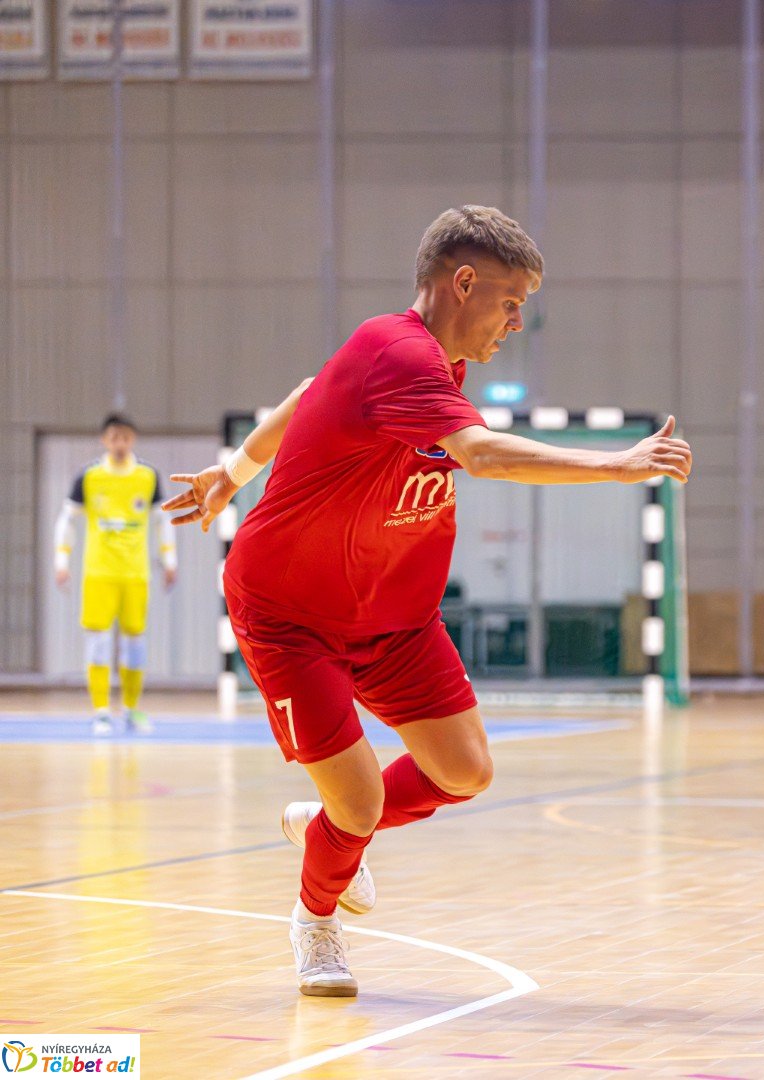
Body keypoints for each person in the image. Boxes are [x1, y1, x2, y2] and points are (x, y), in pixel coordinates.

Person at [163, 206, 693, 998]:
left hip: (393, 616)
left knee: (465, 769)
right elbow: (480, 454)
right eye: (511, 301)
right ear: (463, 282)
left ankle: (325, 835)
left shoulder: (436, 368)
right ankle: (316, 922)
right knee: (361, 795)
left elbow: (308, 392)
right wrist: (616, 468)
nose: (518, 321)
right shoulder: (398, 352)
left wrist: (230, 475)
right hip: (291, 614)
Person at [54, 413, 178, 735]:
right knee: (97, 641)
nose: (119, 443)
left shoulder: (148, 476)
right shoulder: (89, 476)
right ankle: (100, 711)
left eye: (125, 437)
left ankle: (132, 709)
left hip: (135, 574)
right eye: (113, 437)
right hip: (98, 572)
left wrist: (170, 559)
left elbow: (162, 521)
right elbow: (67, 520)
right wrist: (61, 559)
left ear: (132, 439)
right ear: (104, 440)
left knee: (135, 643)